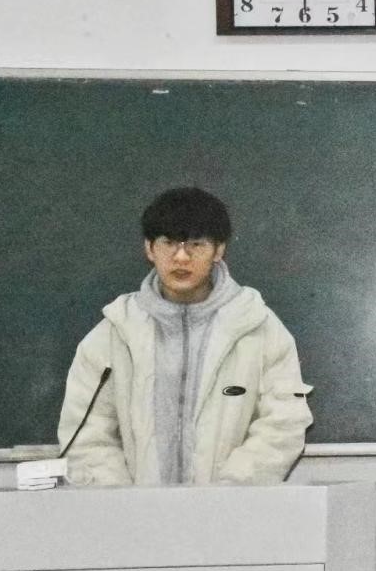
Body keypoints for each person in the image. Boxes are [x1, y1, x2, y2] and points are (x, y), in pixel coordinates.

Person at [57, 187, 313, 486]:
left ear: (218, 250)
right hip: (133, 513)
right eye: (168, 243)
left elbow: (283, 424)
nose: (181, 256)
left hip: (231, 509)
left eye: (196, 244)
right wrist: (126, 503)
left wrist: (228, 494)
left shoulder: (258, 328)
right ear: (149, 248)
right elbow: (87, 435)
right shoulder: (114, 333)